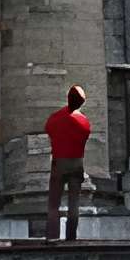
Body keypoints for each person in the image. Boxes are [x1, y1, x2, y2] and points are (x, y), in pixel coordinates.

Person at [45, 85, 94, 242]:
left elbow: (49, 131)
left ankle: (52, 236)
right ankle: (71, 237)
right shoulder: (84, 122)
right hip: (76, 163)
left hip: (59, 162)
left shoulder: (55, 118)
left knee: (54, 203)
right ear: (81, 103)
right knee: (74, 203)